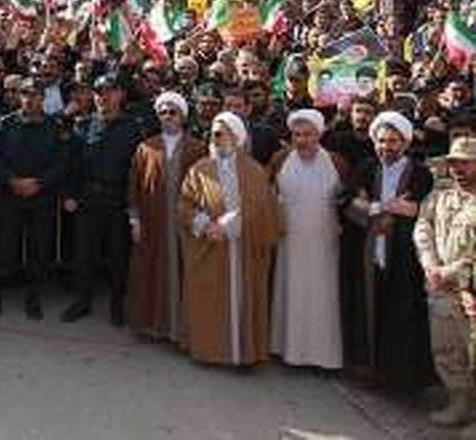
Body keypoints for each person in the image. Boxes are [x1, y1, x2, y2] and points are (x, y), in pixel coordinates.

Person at [341, 109, 435, 393]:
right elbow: (348, 201)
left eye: (393, 142)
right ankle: (368, 370)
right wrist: (377, 209)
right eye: (382, 141)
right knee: (368, 306)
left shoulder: (420, 173)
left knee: (400, 312)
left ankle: (398, 379)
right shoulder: (368, 168)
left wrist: (408, 210)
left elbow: (423, 210)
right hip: (369, 251)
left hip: (404, 257)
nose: (386, 147)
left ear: (405, 144)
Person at [180, 112, 279, 366]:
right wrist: (205, 225)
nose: (215, 137)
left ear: (236, 137)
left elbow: (263, 208)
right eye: (213, 133)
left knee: (243, 299)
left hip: (244, 248)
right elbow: (184, 205)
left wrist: (231, 225)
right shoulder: (199, 169)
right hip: (210, 247)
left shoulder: (255, 171)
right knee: (210, 298)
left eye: (221, 133)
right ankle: (210, 351)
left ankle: (243, 354)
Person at [0, 78, 69, 323]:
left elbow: (62, 162)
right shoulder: (6, 124)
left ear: (43, 98)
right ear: (19, 97)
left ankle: (33, 298)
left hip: (42, 196)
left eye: (35, 94)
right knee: (3, 248)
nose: (30, 98)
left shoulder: (55, 125)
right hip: (11, 195)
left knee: (39, 250)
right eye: (25, 94)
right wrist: (12, 181)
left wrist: (39, 183)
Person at [268, 109, 345, 370]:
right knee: (290, 289)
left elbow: (349, 198)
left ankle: (322, 357)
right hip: (289, 241)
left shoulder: (336, 161)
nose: (302, 140)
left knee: (322, 296)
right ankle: (286, 350)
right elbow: (267, 194)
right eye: (297, 135)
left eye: (308, 134)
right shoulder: (280, 158)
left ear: (319, 134)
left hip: (324, 242)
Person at [127, 91, 206, 343]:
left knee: (184, 270)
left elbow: (205, 189)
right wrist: (135, 219)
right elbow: (135, 186)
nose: (167, 117)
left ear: (183, 115)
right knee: (151, 270)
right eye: (162, 112)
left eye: (173, 112)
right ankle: (152, 325)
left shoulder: (197, 148)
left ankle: (181, 329)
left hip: (185, 222)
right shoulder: (146, 147)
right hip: (153, 221)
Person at [65, 73, 143, 325]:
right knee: (84, 254)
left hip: (118, 198)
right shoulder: (82, 125)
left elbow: (137, 169)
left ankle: (118, 303)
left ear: (121, 95)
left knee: (118, 255)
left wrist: (134, 205)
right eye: (98, 92)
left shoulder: (133, 128)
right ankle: (82, 301)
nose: (103, 97)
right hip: (88, 198)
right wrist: (70, 194)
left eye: (109, 91)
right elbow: (72, 165)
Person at [414, 137, 476, 430]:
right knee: (447, 351)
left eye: (465, 162)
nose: (458, 169)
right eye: (454, 163)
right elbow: (423, 226)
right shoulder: (441, 196)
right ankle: (459, 403)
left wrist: (448, 272)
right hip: (440, 289)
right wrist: (429, 262)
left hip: (469, 292)